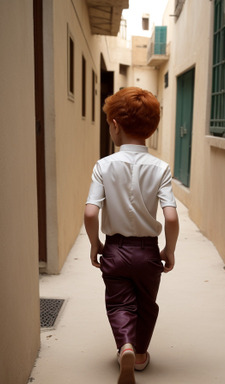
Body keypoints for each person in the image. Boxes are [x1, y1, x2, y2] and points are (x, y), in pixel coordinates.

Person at [84, 87, 179, 384]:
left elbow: (90, 213)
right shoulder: (161, 168)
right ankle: (139, 356)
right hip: (148, 251)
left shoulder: (104, 166)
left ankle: (124, 344)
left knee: (119, 302)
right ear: (152, 128)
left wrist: (94, 245)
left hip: (114, 249)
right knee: (147, 303)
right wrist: (169, 249)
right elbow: (171, 216)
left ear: (115, 124)